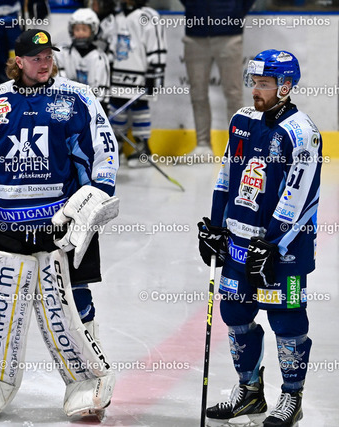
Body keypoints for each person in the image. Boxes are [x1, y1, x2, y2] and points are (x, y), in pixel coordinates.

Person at [0, 29, 119, 419]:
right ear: (18, 61)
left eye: (49, 56)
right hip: (3, 226)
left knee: (73, 304)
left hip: (61, 226)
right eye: (36, 57)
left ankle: (90, 383)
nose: (45, 63)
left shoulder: (77, 98)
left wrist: (93, 200)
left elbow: (101, 154)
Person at [197, 50, 321, 426]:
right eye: (254, 82)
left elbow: (299, 197)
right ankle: (250, 392)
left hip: (284, 249)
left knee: (286, 318)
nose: (256, 90)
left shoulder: (303, 133)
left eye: (264, 84)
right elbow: (227, 175)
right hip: (240, 241)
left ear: (285, 86)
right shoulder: (242, 120)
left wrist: (272, 243)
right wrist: (216, 226)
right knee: (235, 312)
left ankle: (292, 397)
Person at [181, 0, 255, 158]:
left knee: (233, 93)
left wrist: (234, 11)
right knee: (198, 93)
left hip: (229, 35)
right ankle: (202, 146)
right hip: (195, 35)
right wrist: (194, 7)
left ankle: (239, 147)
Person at [98, 0, 166, 168]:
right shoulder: (114, 17)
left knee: (140, 109)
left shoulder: (149, 16)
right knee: (116, 109)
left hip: (140, 75)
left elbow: (156, 44)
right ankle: (117, 147)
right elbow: (103, 42)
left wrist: (155, 73)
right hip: (116, 76)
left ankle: (143, 148)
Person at [55, 8, 110, 105]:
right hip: (67, 103)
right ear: (71, 30)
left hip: (91, 105)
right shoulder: (63, 53)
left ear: (93, 30)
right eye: (77, 29)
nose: (80, 33)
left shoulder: (100, 58)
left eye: (84, 29)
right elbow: (59, 82)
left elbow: (102, 91)